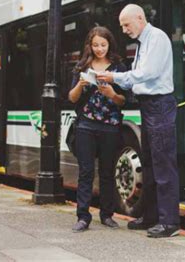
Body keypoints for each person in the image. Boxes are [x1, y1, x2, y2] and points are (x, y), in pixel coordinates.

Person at [97, 4, 180, 238]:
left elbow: (147, 73)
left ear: (140, 18)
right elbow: (139, 78)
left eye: (126, 24)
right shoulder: (145, 42)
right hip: (149, 105)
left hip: (159, 104)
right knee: (151, 163)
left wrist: (114, 76)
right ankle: (153, 217)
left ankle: (170, 222)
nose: (123, 30)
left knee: (163, 164)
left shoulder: (157, 38)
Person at [68, 26, 127, 233]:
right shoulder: (83, 66)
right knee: (86, 172)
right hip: (86, 125)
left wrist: (111, 93)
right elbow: (72, 98)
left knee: (107, 172)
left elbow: (123, 101)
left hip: (110, 126)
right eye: (95, 45)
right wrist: (81, 85)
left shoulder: (119, 67)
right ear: (89, 46)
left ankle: (107, 215)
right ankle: (83, 217)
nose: (99, 49)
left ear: (109, 44)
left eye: (103, 45)